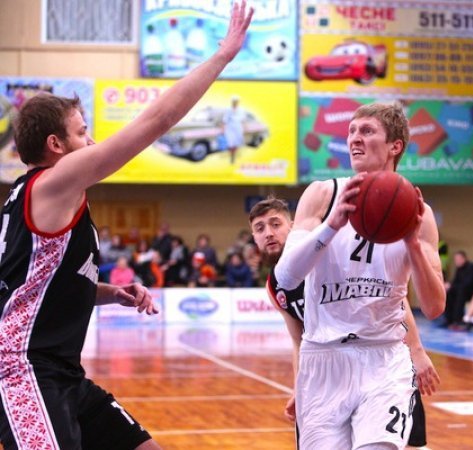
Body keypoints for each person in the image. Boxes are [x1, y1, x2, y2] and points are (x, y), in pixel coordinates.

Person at [0, 3, 253, 449]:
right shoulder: (52, 184)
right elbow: (157, 121)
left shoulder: (39, 200)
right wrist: (223, 56)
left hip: (63, 372)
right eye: (83, 132)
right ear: (55, 145)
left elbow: (37, 286)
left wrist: (109, 293)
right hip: (24, 370)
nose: (93, 141)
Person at [273, 102, 446, 449]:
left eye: (366, 131)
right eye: (351, 131)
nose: (354, 138)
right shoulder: (323, 195)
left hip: (384, 357)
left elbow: (434, 307)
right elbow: (286, 277)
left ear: (395, 145)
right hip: (323, 358)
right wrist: (332, 225)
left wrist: (412, 244)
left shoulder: (418, 212)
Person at [250, 196, 439, 449]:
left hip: (379, 361)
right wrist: (300, 387)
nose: (269, 233)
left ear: (294, 227)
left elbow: (394, 299)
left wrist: (417, 351)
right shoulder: (276, 286)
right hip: (330, 372)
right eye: (260, 228)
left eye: (276, 224)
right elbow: (298, 342)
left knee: (409, 444)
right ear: (254, 238)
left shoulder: (328, 256)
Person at [444, 250, 473, 329]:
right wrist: (449, 285)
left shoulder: (471, 267)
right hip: (465, 290)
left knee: (460, 293)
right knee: (449, 293)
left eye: (458, 259)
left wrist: (452, 286)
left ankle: (458, 320)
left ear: (464, 258)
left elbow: (468, 284)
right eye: (456, 259)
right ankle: (449, 320)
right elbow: (456, 281)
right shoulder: (459, 269)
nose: (457, 261)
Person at [221, 95, 245, 164]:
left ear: (238, 102)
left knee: (237, 141)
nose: (235, 102)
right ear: (232, 102)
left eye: (236, 101)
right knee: (230, 142)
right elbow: (225, 120)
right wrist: (223, 128)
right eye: (233, 101)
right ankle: (232, 156)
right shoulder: (228, 109)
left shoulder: (241, 110)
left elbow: (242, 120)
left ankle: (233, 155)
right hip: (230, 128)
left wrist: (244, 128)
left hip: (238, 128)